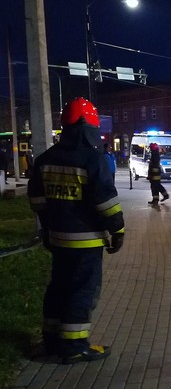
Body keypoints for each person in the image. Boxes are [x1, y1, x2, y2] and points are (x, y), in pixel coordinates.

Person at [28, 97, 125, 363]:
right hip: (87, 242)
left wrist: (47, 227)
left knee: (58, 287)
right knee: (82, 290)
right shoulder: (93, 160)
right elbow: (106, 202)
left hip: (57, 239)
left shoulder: (45, 159)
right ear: (87, 126)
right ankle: (74, 346)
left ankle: (51, 341)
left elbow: (36, 200)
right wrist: (118, 230)